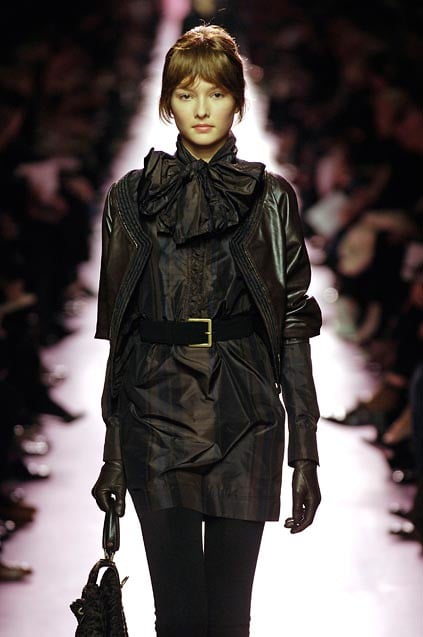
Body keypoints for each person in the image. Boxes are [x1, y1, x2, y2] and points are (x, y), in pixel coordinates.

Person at [92, 25, 322, 637]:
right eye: (186, 93)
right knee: (178, 618)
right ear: (167, 102)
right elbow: (122, 331)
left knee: (227, 619)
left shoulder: (271, 199)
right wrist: (113, 454)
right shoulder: (130, 199)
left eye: (216, 93)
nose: (201, 109)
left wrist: (305, 452)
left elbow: (293, 324)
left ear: (238, 102)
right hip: (154, 412)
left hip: (246, 415)